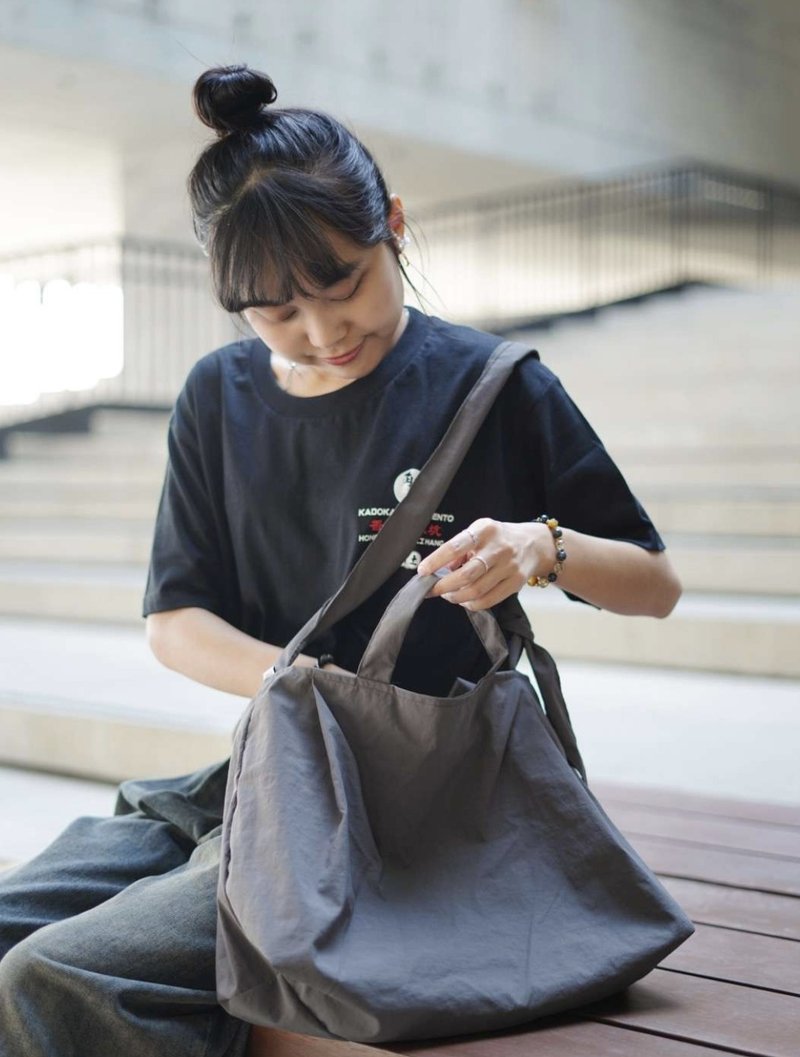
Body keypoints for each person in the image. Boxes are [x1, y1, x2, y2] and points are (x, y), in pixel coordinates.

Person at [0, 63, 682, 1057]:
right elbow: (176, 619)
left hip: (423, 806)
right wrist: (300, 684)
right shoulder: (217, 398)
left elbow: (655, 585)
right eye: (277, 313)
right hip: (268, 776)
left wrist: (543, 547)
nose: (325, 335)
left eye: (344, 284)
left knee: (56, 975)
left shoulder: (490, 387)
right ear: (230, 296)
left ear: (393, 225)